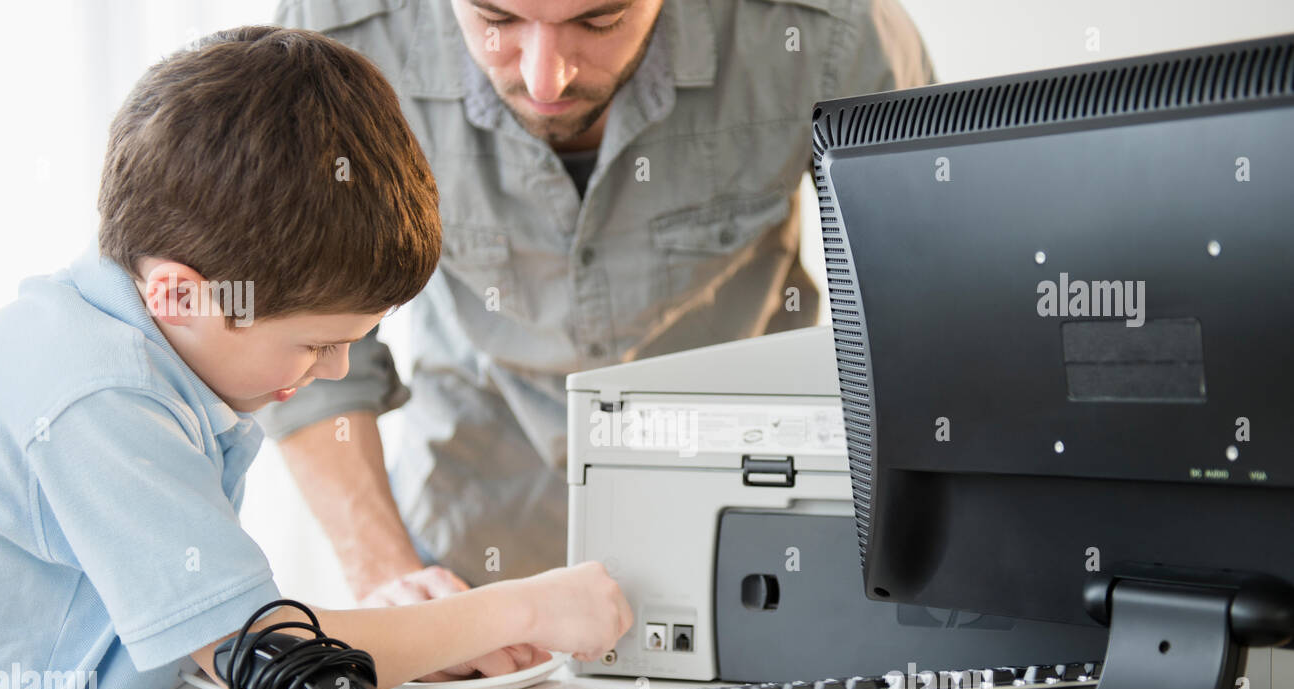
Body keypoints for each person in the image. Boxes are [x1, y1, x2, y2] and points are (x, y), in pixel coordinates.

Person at [0, 26, 630, 689]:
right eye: (317, 343)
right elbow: (258, 654)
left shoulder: (125, 348)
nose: (334, 371)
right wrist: (523, 607)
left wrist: (421, 637)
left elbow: (212, 632)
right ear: (181, 294)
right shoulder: (97, 396)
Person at [265, 0, 935, 619]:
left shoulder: (832, 27)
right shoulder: (331, 34)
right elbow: (296, 339)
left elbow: (924, 314)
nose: (546, 79)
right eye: (498, 19)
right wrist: (390, 577)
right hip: (472, 553)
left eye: (600, 20)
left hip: (763, 546)